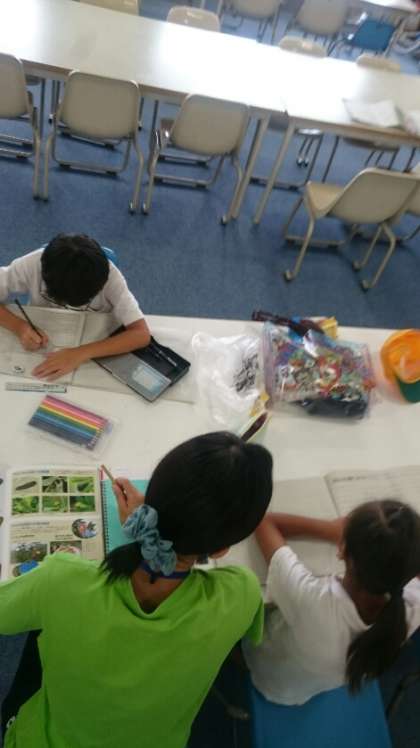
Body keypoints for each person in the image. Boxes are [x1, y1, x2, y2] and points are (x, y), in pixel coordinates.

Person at [0, 431, 273, 748]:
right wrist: (153, 528)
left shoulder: (61, 580)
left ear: (152, 499)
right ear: (221, 549)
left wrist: (147, 525)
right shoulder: (241, 595)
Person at [244, 500, 420, 705]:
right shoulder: (411, 608)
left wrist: (328, 529)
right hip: (307, 687)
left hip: (269, 677)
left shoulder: (312, 601)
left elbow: (265, 523)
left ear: (343, 550)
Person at [0, 234, 150, 380]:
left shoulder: (111, 278)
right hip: (42, 330)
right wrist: (19, 327)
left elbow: (141, 334)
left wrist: (80, 353)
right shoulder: (33, 264)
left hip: (93, 339)